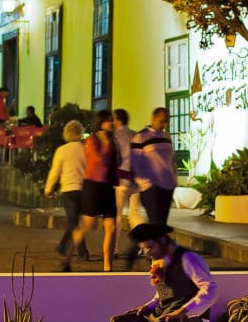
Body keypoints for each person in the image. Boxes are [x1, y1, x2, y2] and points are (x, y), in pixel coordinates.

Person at [62, 109, 117, 272]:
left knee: (112, 226)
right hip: (93, 186)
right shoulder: (92, 141)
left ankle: (108, 266)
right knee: (87, 225)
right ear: (101, 123)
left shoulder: (112, 141)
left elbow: (114, 163)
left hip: (107, 187)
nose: (112, 123)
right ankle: (68, 258)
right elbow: (98, 160)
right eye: (108, 120)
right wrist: (108, 144)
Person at [123, 107, 178, 267]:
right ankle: (158, 259)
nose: (164, 124)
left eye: (167, 120)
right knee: (157, 223)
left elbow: (171, 159)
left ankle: (137, 251)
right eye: (162, 120)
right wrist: (144, 182)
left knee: (158, 225)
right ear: (154, 118)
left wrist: (173, 178)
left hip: (167, 186)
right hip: (151, 187)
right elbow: (136, 162)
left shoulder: (166, 137)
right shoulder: (141, 137)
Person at [44, 119, 89, 262]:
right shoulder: (86, 149)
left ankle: (64, 246)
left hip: (68, 189)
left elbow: (55, 171)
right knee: (77, 222)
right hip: (83, 189)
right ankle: (82, 252)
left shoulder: (61, 150)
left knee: (73, 221)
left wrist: (48, 188)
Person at [111, 108, 142, 262]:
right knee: (134, 214)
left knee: (117, 215)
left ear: (117, 120)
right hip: (136, 180)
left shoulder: (115, 136)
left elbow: (113, 157)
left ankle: (114, 248)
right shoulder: (135, 134)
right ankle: (143, 244)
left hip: (121, 178)